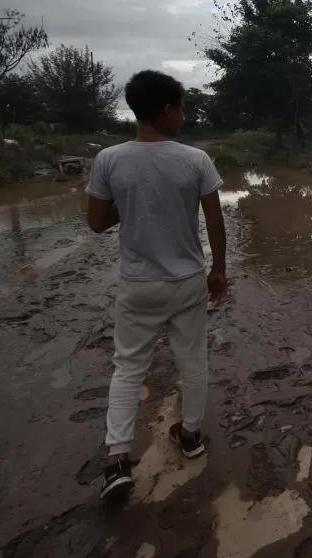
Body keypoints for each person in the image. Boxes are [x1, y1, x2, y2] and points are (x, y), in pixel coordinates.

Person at [85, 70, 228, 499]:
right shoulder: (195, 160)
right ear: (166, 110)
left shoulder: (109, 159)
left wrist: (126, 205)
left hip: (138, 285)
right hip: (186, 281)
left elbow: (96, 223)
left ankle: (117, 462)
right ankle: (190, 436)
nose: (183, 116)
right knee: (193, 361)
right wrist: (218, 270)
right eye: (181, 108)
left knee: (128, 367)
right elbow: (215, 220)